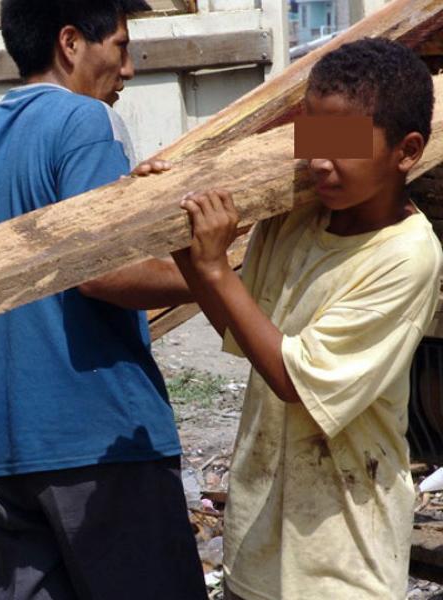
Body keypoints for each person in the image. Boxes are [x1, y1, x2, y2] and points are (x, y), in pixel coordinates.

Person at [0, 0, 207, 598]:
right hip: (96, 435)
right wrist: (220, 273)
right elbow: (101, 274)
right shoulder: (84, 120)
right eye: (120, 46)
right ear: (71, 43)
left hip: (10, 444)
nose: (129, 69)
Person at [173, 38, 442, 600]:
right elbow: (244, 329)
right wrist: (175, 216)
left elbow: (295, 379)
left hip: (341, 563)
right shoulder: (295, 218)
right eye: (313, 138)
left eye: (343, 144)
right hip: (258, 547)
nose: (320, 160)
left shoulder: (405, 255)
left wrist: (217, 270)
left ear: (407, 150)